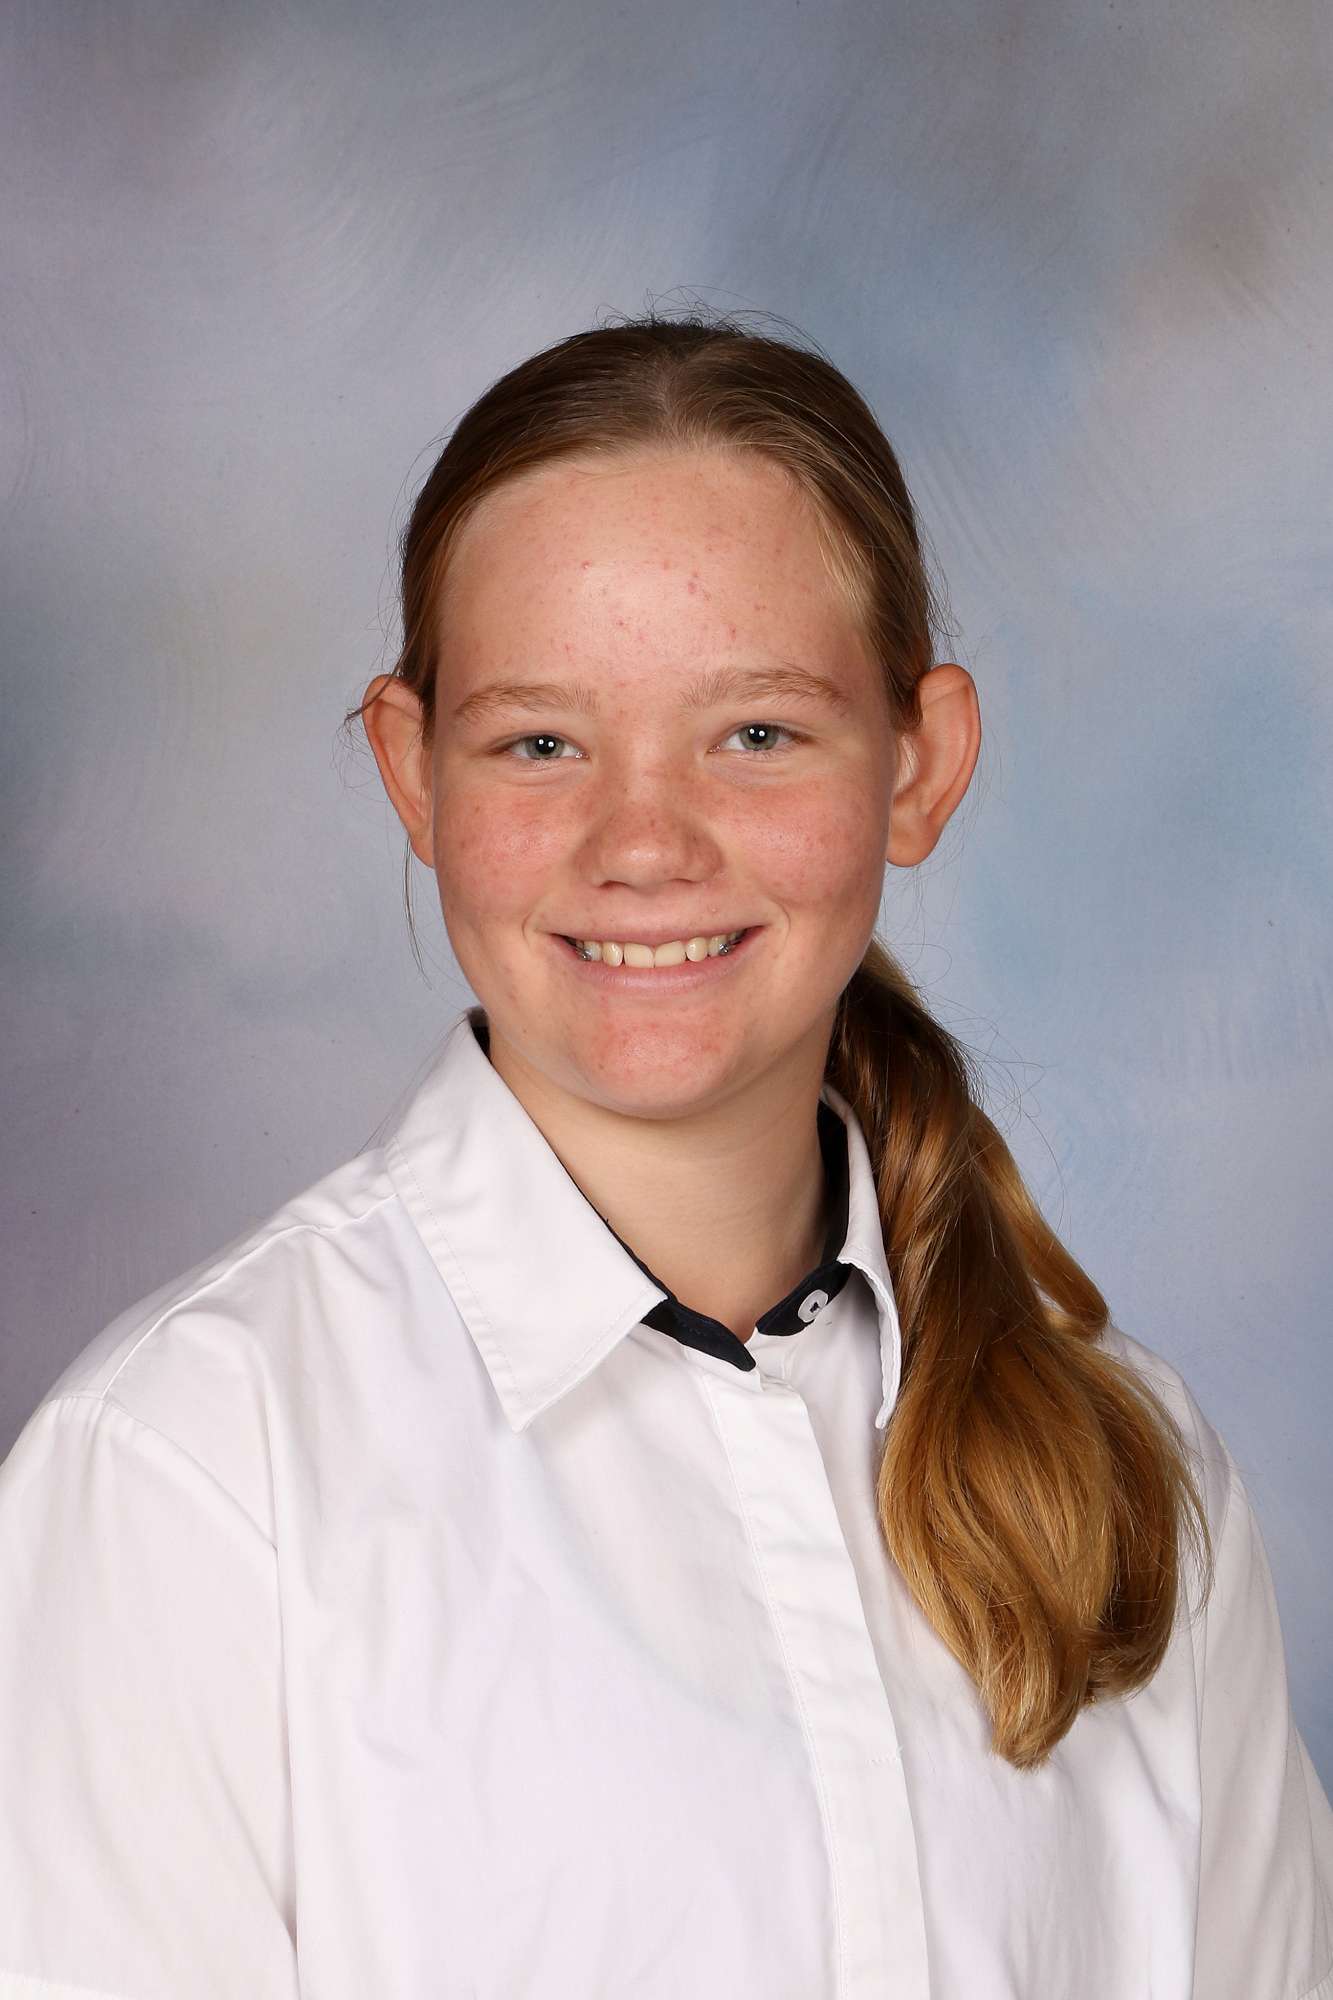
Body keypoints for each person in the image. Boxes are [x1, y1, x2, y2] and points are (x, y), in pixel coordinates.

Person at [1, 314, 1329, 2000]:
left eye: (755, 733)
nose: (643, 844)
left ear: (917, 765)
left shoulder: (1134, 1471)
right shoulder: (192, 1480)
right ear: (412, 772)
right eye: (539, 743)